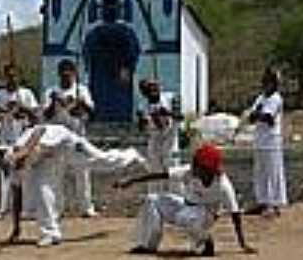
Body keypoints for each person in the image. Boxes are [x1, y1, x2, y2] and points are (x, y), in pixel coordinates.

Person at [5, 124, 145, 247]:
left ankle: (131, 154)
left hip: (66, 144)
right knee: (42, 189)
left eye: (21, 162)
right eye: (19, 165)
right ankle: (51, 233)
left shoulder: (23, 142)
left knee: (102, 160)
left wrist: (23, 152)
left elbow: (39, 130)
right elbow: (17, 196)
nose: (21, 167)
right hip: (46, 158)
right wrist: (16, 228)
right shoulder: (16, 167)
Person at [114, 143, 257, 256]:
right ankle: (149, 245)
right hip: (186, 205)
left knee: (185, 217)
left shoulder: (223, 186)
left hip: (205, 215)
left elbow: (235, 214)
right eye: (195, 164)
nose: (194, 167)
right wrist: (130, 181)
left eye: (198, 166)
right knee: (153, 200)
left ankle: (205, 241)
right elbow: (160, 175)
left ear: (209, 169)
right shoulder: (189, 171)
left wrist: (242, 244)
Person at [42, 59, 97, 218]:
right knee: (57, 174)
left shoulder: (81, 90)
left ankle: (86, 207)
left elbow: (91, 113)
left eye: (70, 72)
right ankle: (57, 208)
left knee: (82, 173)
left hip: (77, 136)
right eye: (63, 72)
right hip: (57, 138)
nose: (66, 76)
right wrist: (54, 102)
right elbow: (46, 115)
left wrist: (82, 104)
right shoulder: (51, 91)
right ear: (59, 74)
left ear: (74, 73)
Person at [0, 64, 39, 220]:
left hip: (22, 141)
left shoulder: (27, 94)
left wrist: (22, 108)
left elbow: (36, 116)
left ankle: (26, 209)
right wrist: (1, 110)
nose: (12, 79)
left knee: (24, 176)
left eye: (15, 76)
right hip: (3, 140)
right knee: (3, 175)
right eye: (9, 76)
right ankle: (0, 208)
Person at [247, 68, 287, 217]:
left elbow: (268, 119)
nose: (266, 85)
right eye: (265, 82)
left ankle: (275, 204)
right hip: (259, 140)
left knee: (274, 173)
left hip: (272, 141)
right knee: (259, 173)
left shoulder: (276, 99)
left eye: (269, 82)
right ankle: (261, 201)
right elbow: (252, 117)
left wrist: (258, 114)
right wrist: (257, 114)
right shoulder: (261, 98)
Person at [137, 79, 183, 194]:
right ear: (144, 93)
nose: (152, 92)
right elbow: (141, 128)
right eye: (148, 90)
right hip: (154, 139)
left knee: (172, 168)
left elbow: (180, 117)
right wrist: (142, 121)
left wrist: (168, 113)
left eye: (155, 88)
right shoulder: (142, 106)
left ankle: (177, 197)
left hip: (170, 139)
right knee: (154, 170)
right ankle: (155, 199)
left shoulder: (171, 98)